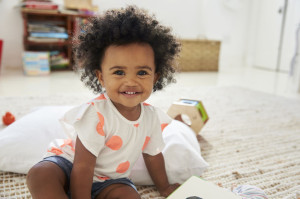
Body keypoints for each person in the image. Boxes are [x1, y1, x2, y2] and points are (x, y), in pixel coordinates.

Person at [26, 5, 181, 199]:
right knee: (40, 175)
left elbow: (153, 155)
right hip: (69, 166)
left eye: (142, 72)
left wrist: (165, 187)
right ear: (100, 77)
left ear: (156, 77)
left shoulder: (151, 118)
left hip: (111, 181)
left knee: (130, 197)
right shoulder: (96, 113)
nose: (130, 81)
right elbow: (83, 166)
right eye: (119, 72)